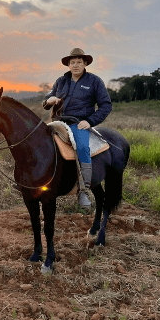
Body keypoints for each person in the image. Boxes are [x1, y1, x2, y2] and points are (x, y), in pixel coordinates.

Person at [43, 47, 112, 207]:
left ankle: (83, 191)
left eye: (79, 62)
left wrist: (90, 121)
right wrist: (49, 100)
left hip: (78, 123)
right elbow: (47, 100)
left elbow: (105, 105)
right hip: (58, 121)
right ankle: (34, 181)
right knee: (38, 141)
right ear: (68, 65)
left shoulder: (94, 81)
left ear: (85, 63)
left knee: (82, 147)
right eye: (72, 62)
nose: (75, 65)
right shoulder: (61, 81)